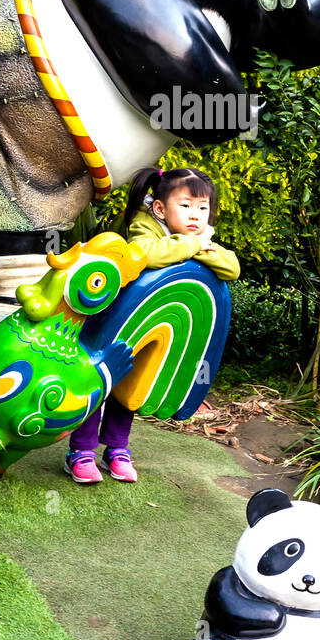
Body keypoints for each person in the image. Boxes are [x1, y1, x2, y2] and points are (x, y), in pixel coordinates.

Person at [65, 166, 239, 484]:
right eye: (185, 206)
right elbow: (149, 254)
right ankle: (81, 451)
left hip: (148, 322)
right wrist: (194, 246)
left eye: (203, 208)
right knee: (101, 377)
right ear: (160, 207)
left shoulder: (197, 235)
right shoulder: (143, 223)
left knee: (133, 379)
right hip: (108, 312)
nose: (195, 216)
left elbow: (231, 266)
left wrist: (199, 246)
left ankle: (117, 449)